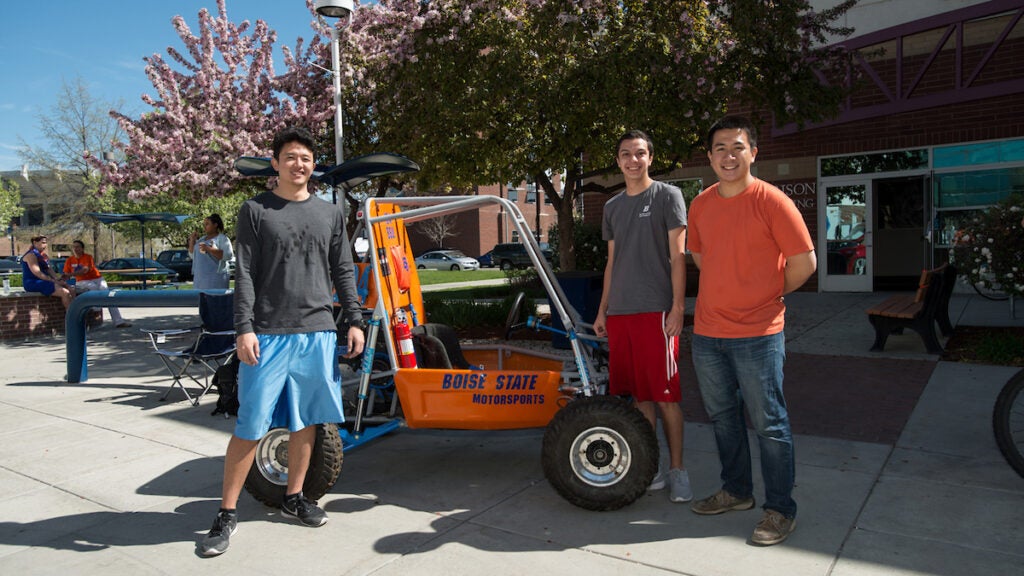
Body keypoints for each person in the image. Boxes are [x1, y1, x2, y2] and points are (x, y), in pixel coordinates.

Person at [199, 127, 366, 557]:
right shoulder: (255, 210)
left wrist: (354, 319)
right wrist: (244, 328)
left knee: (306, 421)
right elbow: (246, 274)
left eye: (306, 158)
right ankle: (226, 513)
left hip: (317, 331)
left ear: (313, 165)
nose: (299, 164)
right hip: (268, 334)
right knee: (251, 424)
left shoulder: (329, 214)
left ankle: (295, 497)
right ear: (275, 163)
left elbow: (343, 269)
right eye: (290, 157)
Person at [687, 116, 816, 546]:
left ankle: (780, 510)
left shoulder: (773, 201)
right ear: (709, 156)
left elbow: (805, 264)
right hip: (707, 333)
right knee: (723, 419)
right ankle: (737, 491)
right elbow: (702, 259)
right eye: (720, 147)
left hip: (760, 335)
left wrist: (762, 292)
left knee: (770, 424)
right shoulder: (701, 204)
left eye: (737, 147)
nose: (728, 155)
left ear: (753, 152)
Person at [593, 130, 692, 503]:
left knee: (666, 396)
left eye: (639, 154)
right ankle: (650, 464)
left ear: (650, 157)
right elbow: (612, 262)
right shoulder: (612, 207)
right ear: (617, 161)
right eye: (625, 155)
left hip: (656, 312)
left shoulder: (668, 196)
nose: (632, 161)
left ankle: (678, 470)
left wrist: (678, 308)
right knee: (640, 398)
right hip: (620, 313)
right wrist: (603, 310)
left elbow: (679, 257)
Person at [63, 240, 131, 328]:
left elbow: (85, 270)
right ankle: (96, 309)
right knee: (93, 288)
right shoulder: (69, 260)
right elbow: (65, 274)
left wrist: (70, 274)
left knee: (108, 296)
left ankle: (118, 321)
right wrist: (63, 280)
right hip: (82, 281)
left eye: (78, 247)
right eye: (74, 247)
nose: (76, 249)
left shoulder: (88, 257)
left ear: (82, 248)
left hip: (97, 279)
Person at [21, 235, 74, 308]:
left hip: (45, 281)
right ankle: (70, 317)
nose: (45, 245)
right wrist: (53, 281)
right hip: (33, 282)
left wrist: (57, 279)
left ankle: (76, 312)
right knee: (65, 292)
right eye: (42, 243)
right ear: (35, 242)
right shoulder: (31, 255)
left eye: (45, 243)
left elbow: (49, 269)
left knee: (71, 289)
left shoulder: (44, 256)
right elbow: (38, 273)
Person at [188, 214, 233, 290]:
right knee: (201, 300)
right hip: (200, 279)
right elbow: (192, 255)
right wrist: (192, 240)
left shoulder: (222, 239)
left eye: (207, 224)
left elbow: (228, 255)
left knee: (215, 300)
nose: (204, 226)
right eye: (204, 224)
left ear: (215, 225)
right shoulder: (201, 240)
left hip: (215, 279)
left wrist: (209, 249)